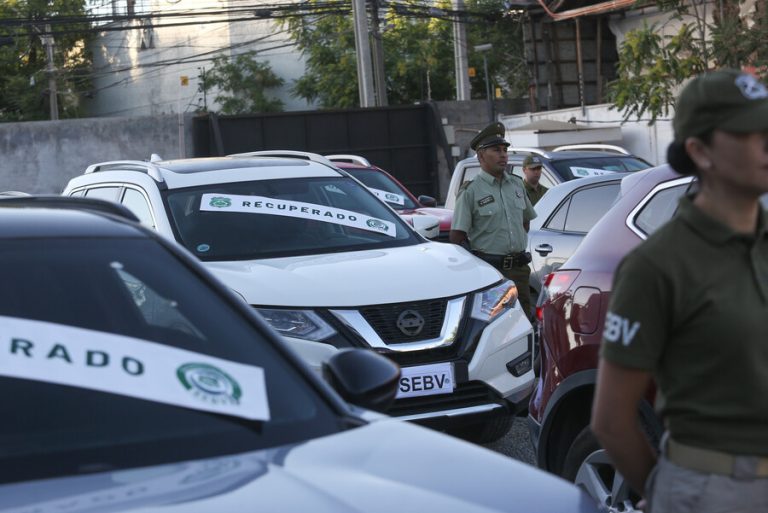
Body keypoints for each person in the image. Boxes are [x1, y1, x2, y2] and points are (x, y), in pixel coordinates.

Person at [591, 68, 768, 513]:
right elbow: (612, 421)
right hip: (714, 489)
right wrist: (671, 490)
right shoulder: (657, 266)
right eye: (750, 132)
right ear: (700, 151)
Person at [450, 122, 537, 319]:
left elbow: (525, 222)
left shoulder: (516, 185)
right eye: (496, 150)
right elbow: (457, 237)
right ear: (481, 156)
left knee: (524, 323)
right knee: (496, 327)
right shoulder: (471, 191)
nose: (503, 155)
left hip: (519, 270)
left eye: (505, 150)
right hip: (491, 272)